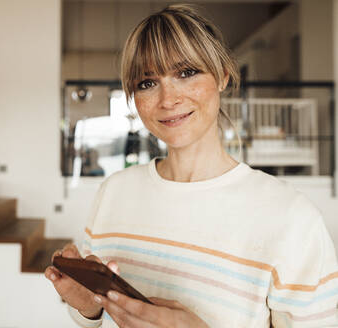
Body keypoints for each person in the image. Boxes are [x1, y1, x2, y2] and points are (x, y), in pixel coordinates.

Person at [45, 4, 338, 327]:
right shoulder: (113, 192)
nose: (168, 99)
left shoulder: (292, 217)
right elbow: (94, 318)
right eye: (147, 82)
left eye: (186, 73)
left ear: (223, 75)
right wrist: (88, 307)